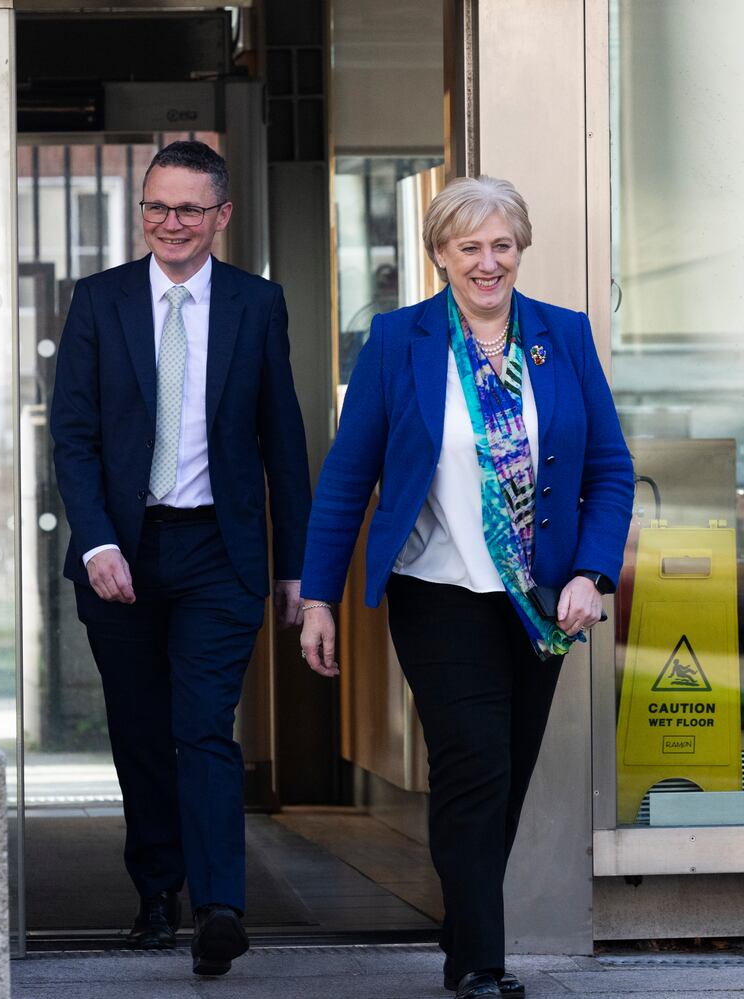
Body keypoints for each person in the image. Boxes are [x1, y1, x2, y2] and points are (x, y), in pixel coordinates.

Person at [299, 176, 633, 999]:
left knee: (505, 771)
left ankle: (465, 921)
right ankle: (480, 960)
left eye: (502, 245)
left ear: (521, 249)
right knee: (474, 762)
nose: (488, 263)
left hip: (541, 600)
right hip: (437, 593)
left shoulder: (563, 335)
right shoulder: (399, 340)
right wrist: (317, 598)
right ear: (440, 255)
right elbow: (346, 478)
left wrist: (590, 572)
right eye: (469, 247)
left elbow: (608, 467)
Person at [51, 140, 310, 976]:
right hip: (119, 550)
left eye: (189, 209)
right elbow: (73, 436)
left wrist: (296, 567)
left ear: (221, 215)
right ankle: (157, 890)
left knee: (203, 726)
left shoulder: (256, 304)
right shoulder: (98, 300)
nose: (171, 222)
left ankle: (219, 907)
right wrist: (97, 540)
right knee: (139, 730)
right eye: (157, 206)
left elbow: (283, 442)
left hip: (217, 550)